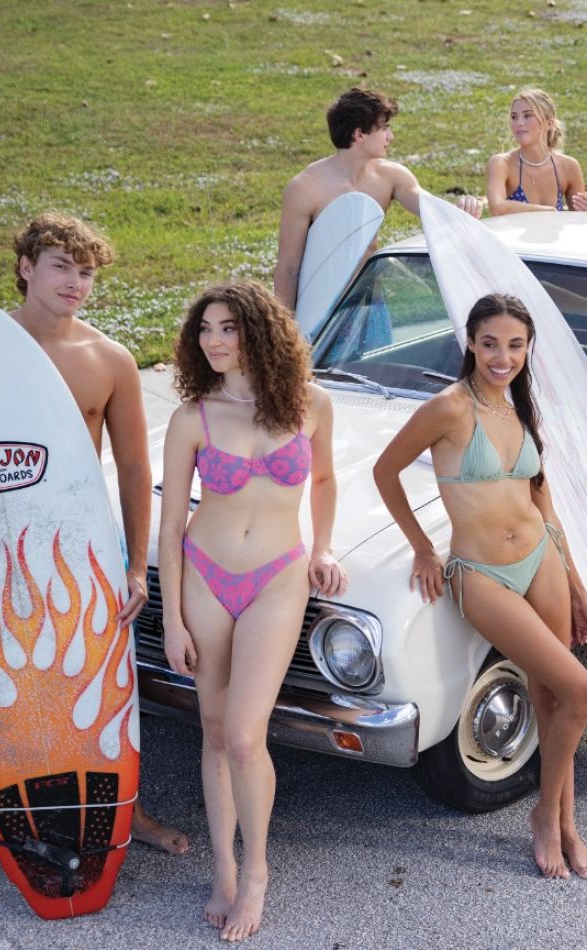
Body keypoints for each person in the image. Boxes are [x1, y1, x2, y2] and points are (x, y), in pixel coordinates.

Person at [0, 211, 189, 856]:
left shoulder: (108, 360)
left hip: (76, 548)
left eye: (86, 272)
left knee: (98, 686)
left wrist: (134, 567)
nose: (75, 283)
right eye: (61, 267)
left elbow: (135, 469)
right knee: (1, 690)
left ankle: (128, 812)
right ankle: (21, 812)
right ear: (26, 268)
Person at [373, 292, 587, 879]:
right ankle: (545, 817)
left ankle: (565, 823)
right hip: (481, 574)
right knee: (580, 689)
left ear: (527, 348)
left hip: (542, 559)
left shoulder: (519, 406)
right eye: (490, 343)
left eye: (515, 345)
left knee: (553, 696)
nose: (502, 357)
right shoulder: (448, 408)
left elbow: (541, 499)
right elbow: (386, 470)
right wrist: (423, 547)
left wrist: (573, 578)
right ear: (469, 342)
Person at [158, 280, 347, 941]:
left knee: (244, 736)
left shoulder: (311, 404)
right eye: (205, 328)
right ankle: (223, 870)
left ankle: (257, 871)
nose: (213, 340)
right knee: (214, 732)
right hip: (206, 577)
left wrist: (324, 547)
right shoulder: (193, 417)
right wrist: (173, 619)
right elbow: (170, 527)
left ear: (259, 333)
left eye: (228, 328)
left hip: (277, 578)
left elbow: (324, 480)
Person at [273, 86, 482, 312]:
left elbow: (432, 209)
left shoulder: (391, 176)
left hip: (371, 305)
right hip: (322, 313)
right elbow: (289, 267)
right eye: (384, 128)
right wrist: (284, 325)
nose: (390, 137)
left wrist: (462, 209)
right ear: (359, 134)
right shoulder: (305, 188)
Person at [486, 88, 587, 215]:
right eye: (514, 117)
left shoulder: (569, 166)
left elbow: (579, 220)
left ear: (549, 124)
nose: (519, 123)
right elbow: (497, 207)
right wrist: (547, 211)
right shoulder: (501, 163)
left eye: (527, 115)